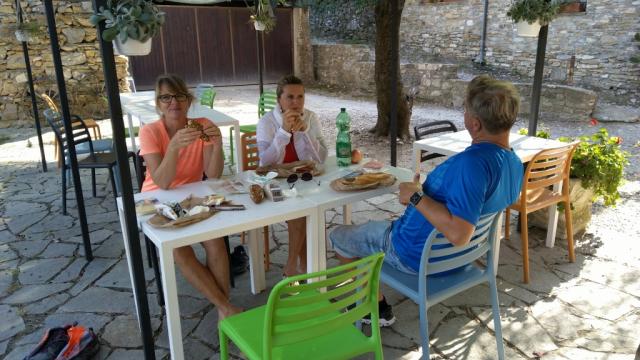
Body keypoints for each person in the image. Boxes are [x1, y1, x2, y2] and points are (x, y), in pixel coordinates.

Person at [329, 75, 524, 327]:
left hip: (412, 254)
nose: (463, 115)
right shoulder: (515, 163)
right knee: (373, 228)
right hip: (461, 258)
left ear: (475, 123)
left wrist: (415, 196)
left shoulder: (473, 164)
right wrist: (422, 196)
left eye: (465, 110)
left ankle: (373, 307)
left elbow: (459, 233)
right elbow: (473, 206)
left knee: (339, 236)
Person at [139, 73, 242, 320]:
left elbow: (212, 174)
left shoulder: (202, 125)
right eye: (166, 98)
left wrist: (217, 145)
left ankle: (223, 311)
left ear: (188, 100)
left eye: (180, 96)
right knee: (181, 250)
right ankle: (226, 307)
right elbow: (162, 182)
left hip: (194, 196)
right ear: (158, 103)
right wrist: (174, 146)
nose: (173, 103)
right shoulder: (150, 132)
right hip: (156, 199)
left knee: (216, 242)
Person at [256, 74, 328, 277]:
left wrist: (305, 132)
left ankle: (304, 268)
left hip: (305, 179)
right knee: (301, 214)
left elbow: (321, 157)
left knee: (312, 212)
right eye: (290, 97)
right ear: (279, 99)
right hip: (277, 181)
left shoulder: (311, 117)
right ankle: (292, 267)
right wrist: (284, 132)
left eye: (300, 97)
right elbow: (265, 162)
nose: (296, 102)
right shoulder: (267, 122)